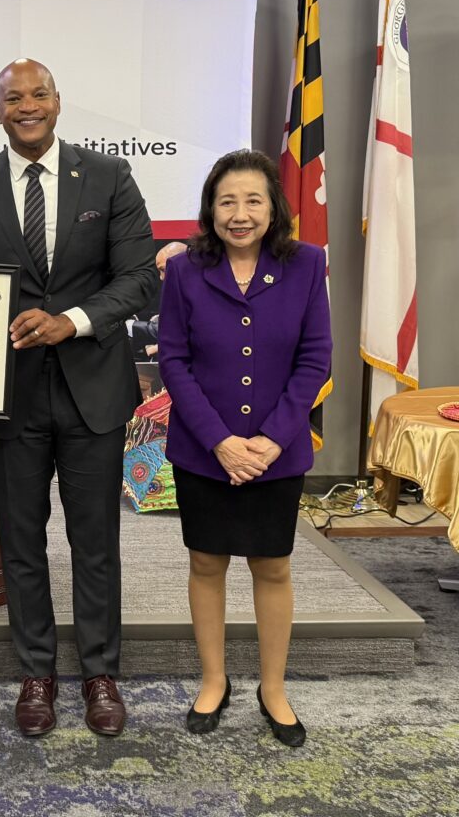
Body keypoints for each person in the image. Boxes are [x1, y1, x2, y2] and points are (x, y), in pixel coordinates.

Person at [0, 59, 157, 737]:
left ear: (57, 102)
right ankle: (36, 670)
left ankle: (100, 673)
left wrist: (72, 320)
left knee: (96, 543)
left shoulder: (108, 176)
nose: (27, 106)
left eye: (38, 94)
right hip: (9, 393)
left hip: (94, 389)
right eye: (14, 97)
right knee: (23, 543)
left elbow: (138, 280)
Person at [158, 149, 332, 747]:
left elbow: (314, 361)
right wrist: (223, 443)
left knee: (272, 565)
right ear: (210, 208)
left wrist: (268, 442)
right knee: (206, 562)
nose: (240, 213)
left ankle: (273, 687)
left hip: (277, 452)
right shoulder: (184, 271)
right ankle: (214, 679)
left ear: (273, 207)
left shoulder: (307, 264)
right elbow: (174, 362)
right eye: (227, 201)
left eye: (253, 200)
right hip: (204, 449)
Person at [128, 241, 187, 360]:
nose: (161, 277)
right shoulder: (180, 293)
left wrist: (129, 326)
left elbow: (172, 329)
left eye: (164, 270)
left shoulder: (201, 291)